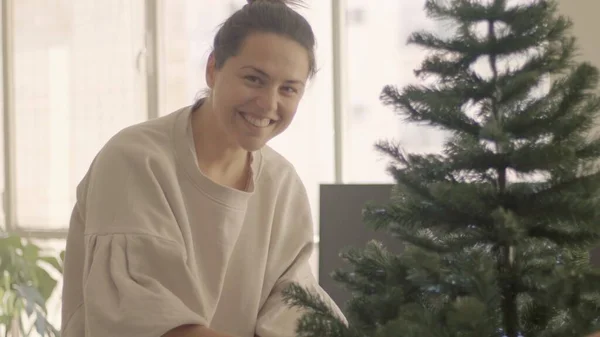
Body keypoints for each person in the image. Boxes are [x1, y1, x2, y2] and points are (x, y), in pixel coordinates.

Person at [60, 0, 345, 336]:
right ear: (212, 69)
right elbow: (142, 318)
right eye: (254, 79)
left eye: (288, 89)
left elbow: (296, 308)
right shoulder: (135, 160)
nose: (269, 103)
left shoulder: (282, 184)